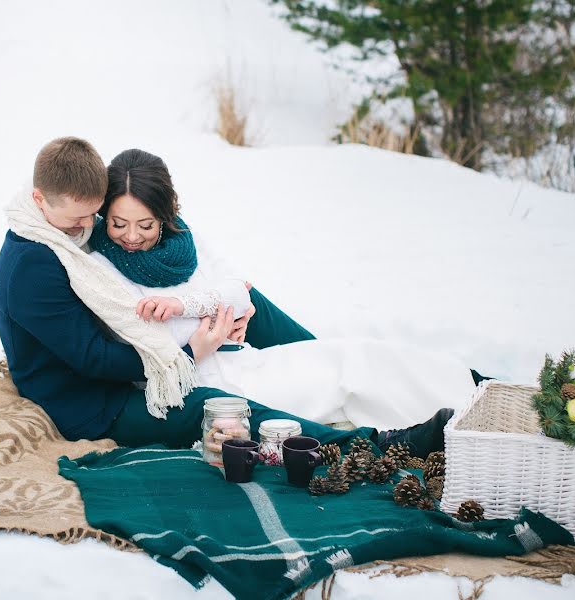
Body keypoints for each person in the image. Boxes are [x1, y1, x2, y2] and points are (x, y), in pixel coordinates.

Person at [0, 136, 452, 457]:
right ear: (39, 198)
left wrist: (210, 311)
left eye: (94, 215)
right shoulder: (35, 265)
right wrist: (194, 348)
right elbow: (94, 359)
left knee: (257, 308)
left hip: (146, 358)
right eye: (81, 219)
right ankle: (377, 447)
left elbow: (225, 286)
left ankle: (363, 365)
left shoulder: (66, 235)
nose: (88, 228)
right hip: (93, 403)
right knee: (224, 410)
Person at [88, 148, 477, 431]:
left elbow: (240, 290)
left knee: (355, 353)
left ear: (165, 215)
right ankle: (460, 418)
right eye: (119, 224)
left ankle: (475, 389)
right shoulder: (102, 269)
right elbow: (151, 344)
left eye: (146, 224)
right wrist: (212, 323)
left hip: (242, 358)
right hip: (212, 383)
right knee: (345, 378)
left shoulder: (184, 241)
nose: (132, 237)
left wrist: (191, 306)